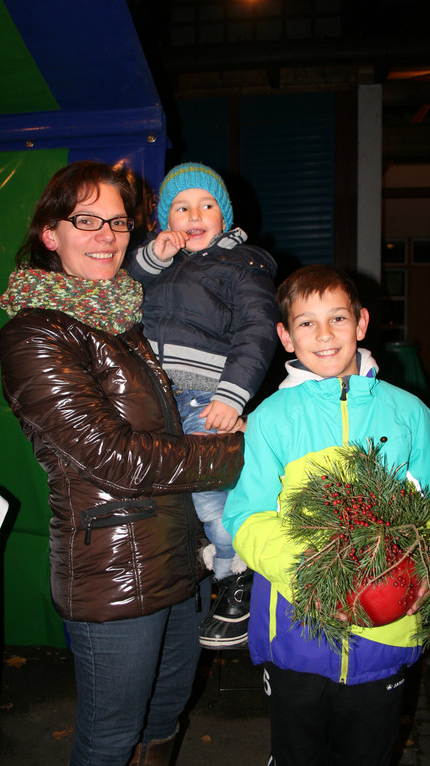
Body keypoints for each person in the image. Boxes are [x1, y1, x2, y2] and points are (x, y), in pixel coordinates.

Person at [0, 160, 245, 766]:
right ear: (51, 233)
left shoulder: (129, 321)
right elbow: (114, 456)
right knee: (110, 738)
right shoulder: (36, 334)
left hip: (179, 560)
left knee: (165, 716)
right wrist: (241, 452)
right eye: (86, 220)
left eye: (117, 222)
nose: (106, 235)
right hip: (114, 572)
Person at [222, 264, 430, 766]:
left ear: (362, 323)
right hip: (296, 634)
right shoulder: (271, 418)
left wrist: (421, 562)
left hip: (386, 635)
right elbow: (246, 516)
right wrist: (316, 578)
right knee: (297, 755)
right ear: (286, 336)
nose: (324, 334)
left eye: (338, 318)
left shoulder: (409, 412)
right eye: (306, 323)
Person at [128, 161, 279, 649]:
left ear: (224, 216)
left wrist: (231, 395)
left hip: (205, 397)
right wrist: (152, 257)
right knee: (170, 497)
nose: (195, 215)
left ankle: (238, 576)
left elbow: (257, 331)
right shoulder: (160, 264)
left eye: (207, 205)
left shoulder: (242, 264)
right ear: (165, 220)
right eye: (182, 207)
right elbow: (122, 286)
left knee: (210, 495)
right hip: (155, 397)